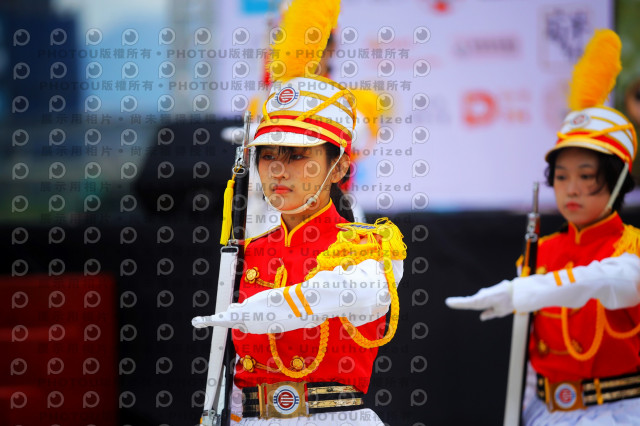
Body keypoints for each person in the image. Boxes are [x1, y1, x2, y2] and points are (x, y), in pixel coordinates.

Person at [192, 0, 406, 423]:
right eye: (268, 155)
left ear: (338, 166)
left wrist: (257, 312)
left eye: (296, 155)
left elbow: (339, 293)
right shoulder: (247, 252)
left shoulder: (369, 248)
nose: (278, 169)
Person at [446, 29, 640, 425]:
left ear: (618, 179)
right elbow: (531, 352)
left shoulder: (631, 247)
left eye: (586, 176)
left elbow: (604, 280)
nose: (572, 189)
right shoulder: (543, 251)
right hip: (548, 413)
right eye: (562, 176)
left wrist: (523, 290)